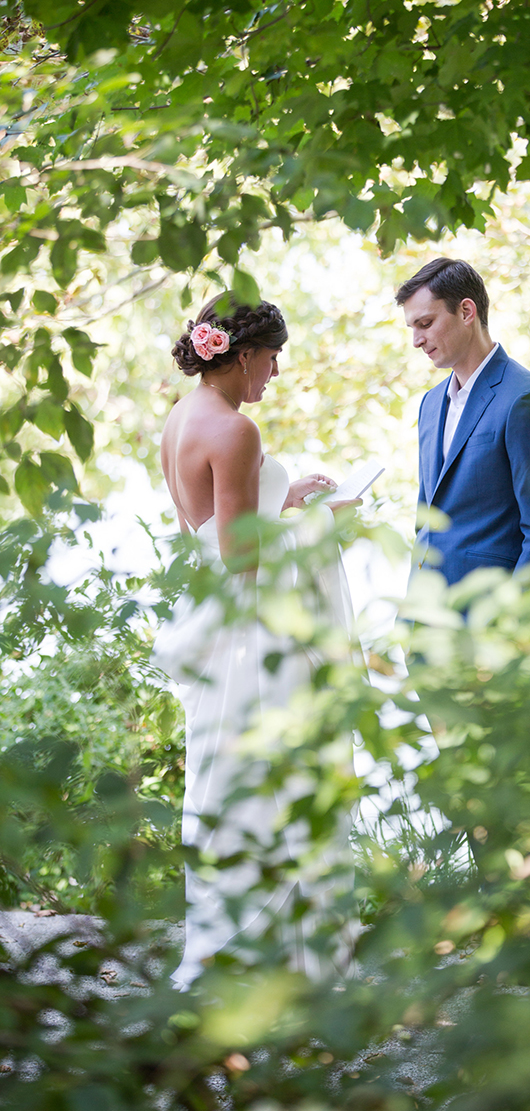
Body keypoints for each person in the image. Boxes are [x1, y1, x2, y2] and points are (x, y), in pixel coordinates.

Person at [151, 294, 358, 990]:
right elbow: (246, 561)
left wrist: (286, 497)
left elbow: (211, 530)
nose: (274, 375)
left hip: (212, 619)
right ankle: (279, 959)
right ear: (242, 356)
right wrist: (324, 519)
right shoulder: (238, 431)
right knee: (271, 776)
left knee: (227, 778)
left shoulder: (180, 419)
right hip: (250, 633)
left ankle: (229, 938)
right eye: (271, 360)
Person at [396, 257, 530, 584]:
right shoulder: (430, 405)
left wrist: (513, 627)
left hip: (490, 620)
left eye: (426, 323)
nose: (416, 340)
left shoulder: (528, 399)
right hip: (425, 618)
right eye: (412, 328)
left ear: (466, 311)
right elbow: (426, 524)